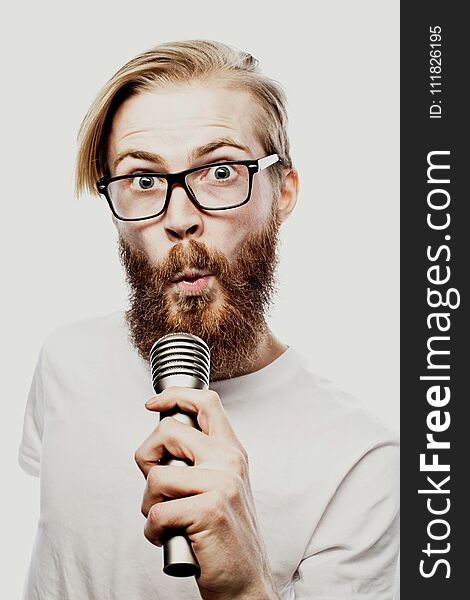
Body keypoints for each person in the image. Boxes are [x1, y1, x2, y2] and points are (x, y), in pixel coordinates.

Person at [19, 40, 399, 600]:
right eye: (143, 180)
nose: (179, 218)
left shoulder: (364, 467)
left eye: (220, 170)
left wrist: (245, 584)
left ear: (283, 191)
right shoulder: (65, 360)